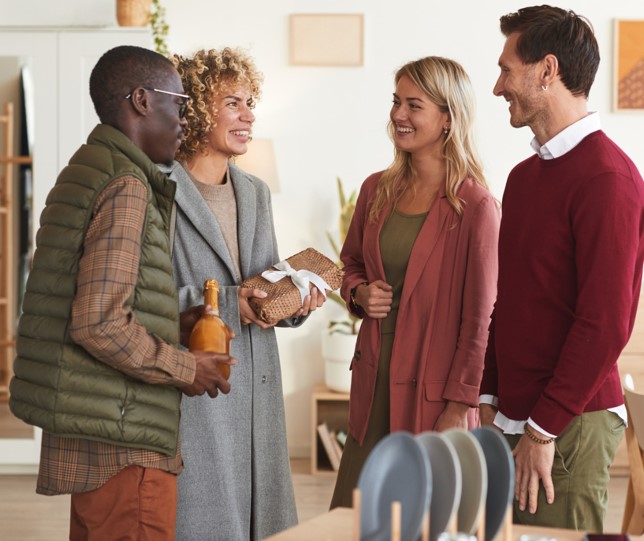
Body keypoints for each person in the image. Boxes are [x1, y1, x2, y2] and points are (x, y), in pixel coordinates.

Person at [8, 45, 235, 540]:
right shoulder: (128, 185)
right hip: (124, 442)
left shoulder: (88, 168)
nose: (183, 119)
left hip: (97, 428)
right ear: (140, 100)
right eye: (178, 103)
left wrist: (171, 323)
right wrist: (185, 367)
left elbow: (86, 300)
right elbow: (98, 322)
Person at [480, 5, 644, 532]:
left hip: (565, 427)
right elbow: (511, 301)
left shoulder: (608, 179)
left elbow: (605, 325)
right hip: (515, 421)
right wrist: (487, 394)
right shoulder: (524, 177)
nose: (497, 86)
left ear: (547, 70)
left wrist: (542, 430)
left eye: (507, 69)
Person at [161, 47, 324, 541]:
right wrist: (234, 304)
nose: (249, 115)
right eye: (233, 102)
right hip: (201, 383)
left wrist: (293, 300)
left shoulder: (255, 192)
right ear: (193, 109)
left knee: (262, 522)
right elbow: (148, 297)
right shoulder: (157, 190)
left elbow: (261, 281)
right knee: (207, 521)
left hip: (258, 382)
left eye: (250, 102)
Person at [330, 56, 500, 508]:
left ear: (448, 117)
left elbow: (479, 320)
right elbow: (347, 265)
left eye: (413, 105)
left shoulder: (475, 207)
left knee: (421, 522)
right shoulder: (375, 189)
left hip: (432, 394)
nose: (398, 115)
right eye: (395, 102)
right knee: (355, 519)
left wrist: (457, 407)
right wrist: (359, 293)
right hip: (373, 385)